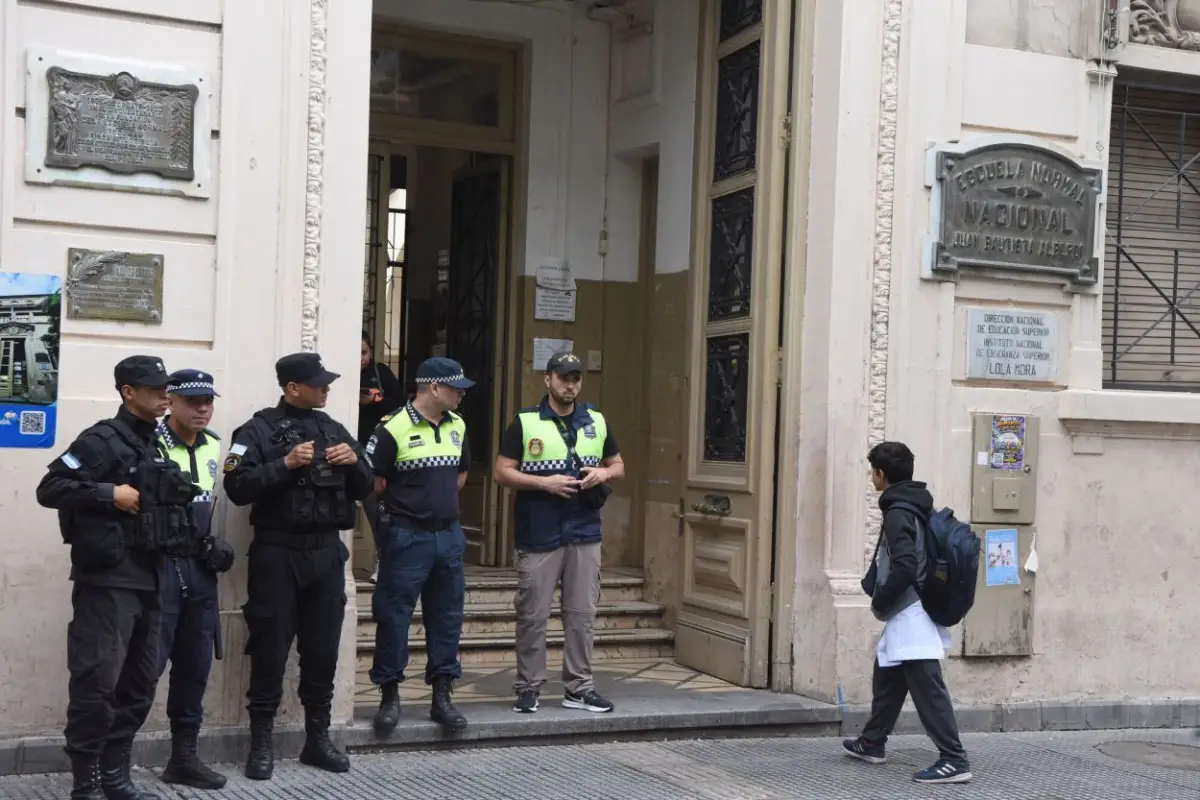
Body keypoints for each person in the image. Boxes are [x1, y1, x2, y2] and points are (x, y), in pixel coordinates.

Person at [37, 355, 198, 800]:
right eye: (155, 388)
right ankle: (86, 783)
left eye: (167, 387)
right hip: (108, 582)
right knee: (97, 682)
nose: (166, 395)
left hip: (152, 575)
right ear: (129, 391)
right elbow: (50, 488)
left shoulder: (155, 441)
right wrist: (109, 493)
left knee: (139, 683)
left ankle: (115, 775)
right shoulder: (100, 440)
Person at [223, 352, 373, 780]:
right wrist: (285, 464)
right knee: (269, 648)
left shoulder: (334, 429)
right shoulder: (255, 431)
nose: (326, 388)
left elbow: (367, 484)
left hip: (325, 553)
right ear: (292, 388)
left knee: (323, 649)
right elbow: (236, 486)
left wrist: (355, 463)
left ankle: (318, 738)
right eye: (317, 383)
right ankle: (262, 742)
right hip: (277, 553)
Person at [493, 351, 624, 715]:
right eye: (563, 377)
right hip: (540, 531)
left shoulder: (596, 420)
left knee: (581, 614)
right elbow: (502, 472)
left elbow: (619, 464)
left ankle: (579, 688)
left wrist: (603, 474)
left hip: (584, 530)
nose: (570, 385)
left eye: (576, 378)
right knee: (533, 614)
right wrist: (543, 483)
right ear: (547, 380)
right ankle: (528, 686)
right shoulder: (525, 422)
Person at [842, 441, 972, 785]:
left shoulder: (898, 511)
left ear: (881, 475)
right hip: (912, 605)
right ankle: (872, 742)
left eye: (873, 473)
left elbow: (904, 565)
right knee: (888, 670)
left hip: (909, 607)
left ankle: (954, 759)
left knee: (926, 684)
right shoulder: (914, 504)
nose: (872, 479)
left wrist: (881, 600)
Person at [367, 357, 473, 734]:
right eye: (456, 387)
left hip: (448, 535)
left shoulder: (457, 424)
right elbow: (374, 482)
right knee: (394, 617)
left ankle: (442, 696)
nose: (462, 394)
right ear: (433, 388)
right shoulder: (391, 427)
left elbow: (461, 474)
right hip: (406, 536)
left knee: (446, 618)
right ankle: (389, 696)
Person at [154, 369, 235, 790]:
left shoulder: (216, 445)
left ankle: (183, 757)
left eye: (208, 400)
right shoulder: (150, 443)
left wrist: (212, 543)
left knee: (195, 666)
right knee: (143, 668)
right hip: (159, 568)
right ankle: (108, 763)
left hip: (199, 570)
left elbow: (214, 499)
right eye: (193, 401)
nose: (202, 408)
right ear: (171, 402)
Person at [357, 332, 402, 583]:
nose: (361, 359)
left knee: (377, 507)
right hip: (345, 447)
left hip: (377, 449)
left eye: (364, 352)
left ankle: (383, 561)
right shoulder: (337, 372)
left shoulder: (381, 372)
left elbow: (401, 404)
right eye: (356, 354)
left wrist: (374, 400)